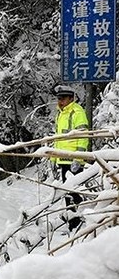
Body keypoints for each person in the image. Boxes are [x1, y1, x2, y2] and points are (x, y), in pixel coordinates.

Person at [52, 85, 89, 230]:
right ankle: (72, 221)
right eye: (59, 98)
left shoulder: (76, 112)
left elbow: (83, 135)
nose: (60, 101)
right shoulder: (61, 113)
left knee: (73, 192)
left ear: (71, 99)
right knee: (68, 192)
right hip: (63, 159)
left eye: (63, 99)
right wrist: (54, 158)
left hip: (73, 159)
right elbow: (58, 138)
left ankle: (76, 221)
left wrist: (78, 159)